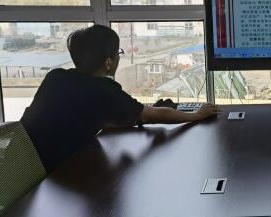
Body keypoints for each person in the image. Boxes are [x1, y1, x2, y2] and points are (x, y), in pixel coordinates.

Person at [21, 24, 217, 172]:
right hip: (56, 175)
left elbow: (91, 116)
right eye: (118, 53)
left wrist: (135, 113)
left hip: (23, 168)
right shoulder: (103, 90)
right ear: (108, 62)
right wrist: (196, 115)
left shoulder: (55, 77)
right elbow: (154, 115)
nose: (119, 57)